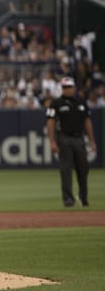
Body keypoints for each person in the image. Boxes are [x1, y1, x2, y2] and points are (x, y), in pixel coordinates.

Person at [46, 77, 96, 207]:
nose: (67, 89)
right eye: (64, 87)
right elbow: (50, 122)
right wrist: (52, 141)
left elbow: (87, 121)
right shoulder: (56, 103)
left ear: (74, 87)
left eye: (69, 87)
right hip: (63, 138)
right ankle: (68, 199)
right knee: (65, 169)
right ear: (62, 88)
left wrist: (91, 140)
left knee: (83, 168)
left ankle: (83, 196)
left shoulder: (81, 102)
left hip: (79, 138)